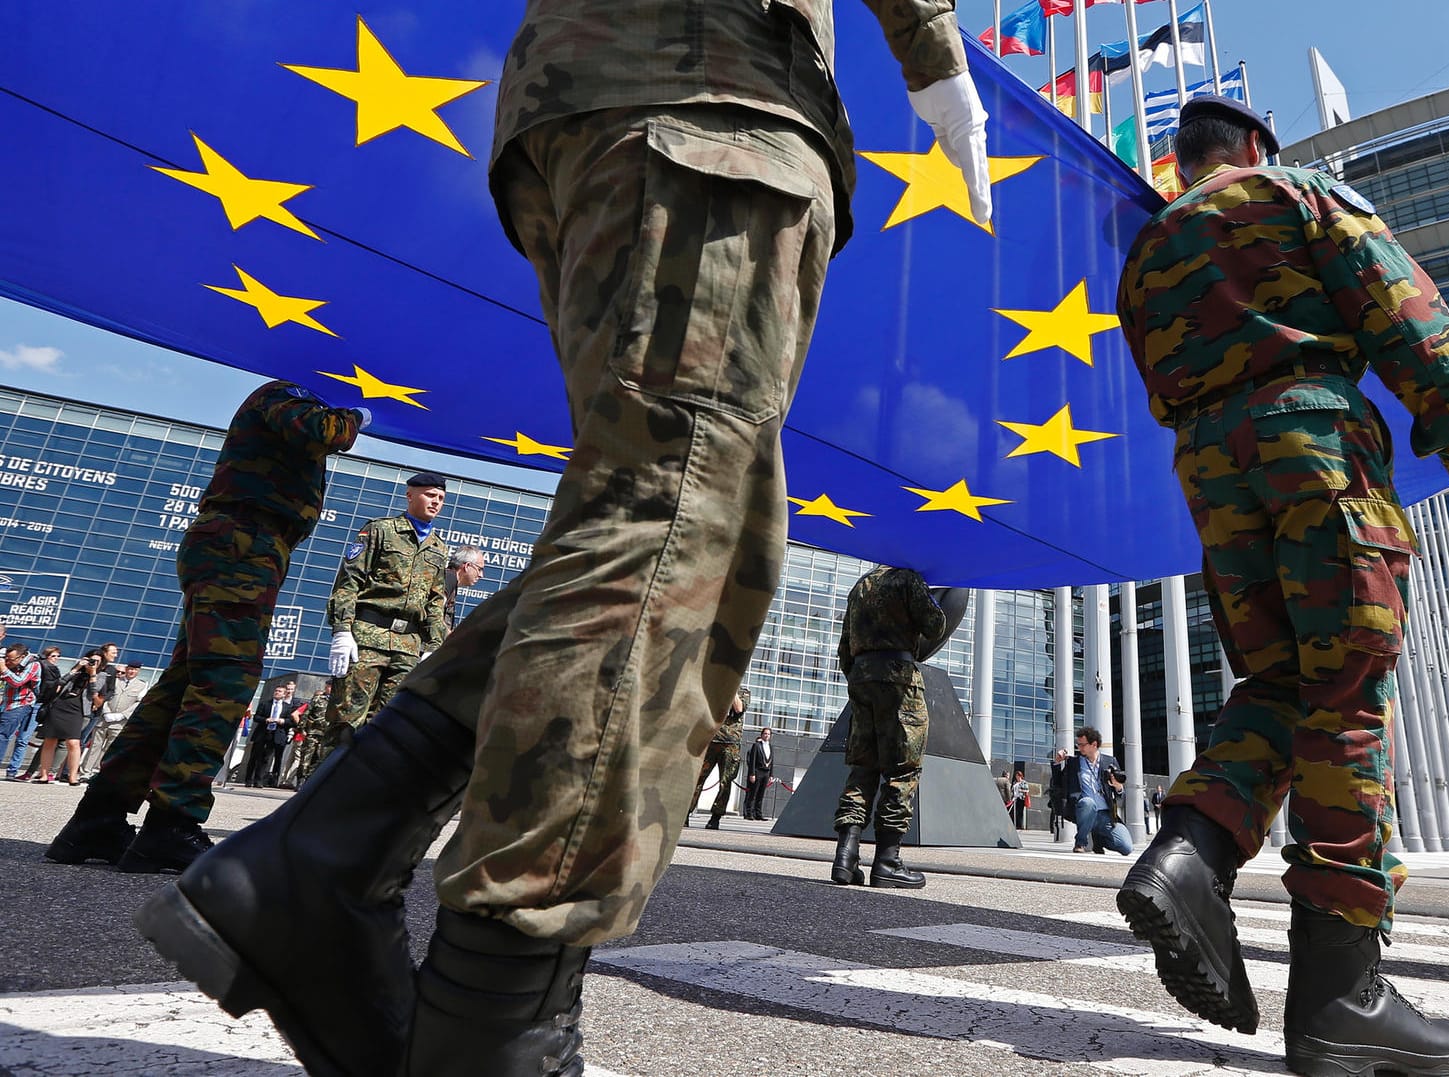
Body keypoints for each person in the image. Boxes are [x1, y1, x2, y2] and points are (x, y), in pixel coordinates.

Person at [134, 3, 994, 1072]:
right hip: (709, 92)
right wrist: (932, 51)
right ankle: (495, 1010)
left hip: (614, 95)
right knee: (674, 512)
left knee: (668, 517)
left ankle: (329, 854)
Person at [1113, 94, 1449, 1069]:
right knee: (1346, 694)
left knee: (1278, 685)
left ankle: (1192, 851)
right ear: (1251, 145)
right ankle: (1340, 987)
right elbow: (1411, 320)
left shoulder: (1152, 244)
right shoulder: (1298, 192)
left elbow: (1161, 375)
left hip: (1210, 469)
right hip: (1314, 444)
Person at [45, 381, 363, 873]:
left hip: (244, 544)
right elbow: (325, 429)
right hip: (242, 543)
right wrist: (360, 414)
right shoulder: (284, 394)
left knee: (184, 684)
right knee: (224, 682)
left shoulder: (288, 401)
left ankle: (100, 817)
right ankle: (171, 824)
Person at [312, 472, 452, 773]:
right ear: (410, 495)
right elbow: (349, 583)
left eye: (440, 498)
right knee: (347, 721)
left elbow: (435, 602)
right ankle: (321, 802)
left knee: (392, 728)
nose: (436, 502)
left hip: (408, 648)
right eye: (430, 495)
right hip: (367, 637)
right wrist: (341, 631)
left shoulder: (439, 549)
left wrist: (433, 647)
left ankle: (363, 806)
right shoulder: (380, 531)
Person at [830, 565, 948, 889]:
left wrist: (863, 675)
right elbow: (935, 626)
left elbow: (844, 648)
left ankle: (845, 857)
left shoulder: (859, 586)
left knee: (862, 768)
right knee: (902, 771)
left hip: (862, 678)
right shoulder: (907, 578)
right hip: (900, 678)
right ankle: (887, 862)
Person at [1060, 727, 1130, 856]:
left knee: (1126, 847)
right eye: (1078, 744)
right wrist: (1057, 762)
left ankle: (1099, 839)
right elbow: (1059, 782)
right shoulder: (1074, 763)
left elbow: (1120, 797)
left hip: (1105, 815)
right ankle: (1080, 842)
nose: (1079, 748)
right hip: (1084, 810)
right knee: (1088, 803)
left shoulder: (1110, 762)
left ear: (1094, 745)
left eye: (1082, 745)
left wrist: (1118, 787)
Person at [29, 654, 97, 785]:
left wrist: (92, 672)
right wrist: (77, 667)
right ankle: (43, 775)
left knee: (73, 743)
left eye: (96, 661)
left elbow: (94, 692)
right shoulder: (75, 672)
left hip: (77, 710)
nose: (92, 663)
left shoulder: (99, 676)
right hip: (59, 706)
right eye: (90, 660)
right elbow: (60, 683)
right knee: (50, 740)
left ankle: (72, 777)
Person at [689, 689, 750, 829]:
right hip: (710, 741)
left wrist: (732, 688)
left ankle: (716, 817)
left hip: (730, 744)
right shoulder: (716, 689)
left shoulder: (743, 693)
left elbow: (739, 708)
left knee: (725, 782)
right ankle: (686, 813)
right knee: (697, 779)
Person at [79, 661, 148, 781]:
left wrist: (122, 715)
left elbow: (139, 703)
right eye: (130, 669)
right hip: (104, 720)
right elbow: (104, 696)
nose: (132, 672)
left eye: (135, 670)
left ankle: (102, 773)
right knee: (94, 747)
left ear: (138, 671)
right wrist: (106, 712)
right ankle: (85, 773)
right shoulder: (115, 681)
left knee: (111, 749)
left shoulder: (141, 686)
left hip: (120, 723)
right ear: (126, 669)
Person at [243, 682, 299, 789]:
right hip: (262, 733)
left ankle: (258, 781)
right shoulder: (265, 704)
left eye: (280, 692)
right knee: (254, 757)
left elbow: (291, 722)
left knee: (265, 758)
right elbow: (256, 717)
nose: (277, 693)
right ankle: (248, 779)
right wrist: (266, 719)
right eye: (276, 691)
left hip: (275, 734)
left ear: (284, 694)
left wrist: (283, 721)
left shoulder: (287, 707)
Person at [0, 643, 44, 780]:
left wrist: (3, 667)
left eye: (11, 659)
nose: (8, 662)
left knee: (3, 735)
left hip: (21, 704)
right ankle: (12, 771)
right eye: (6, 658)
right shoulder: (11, 663)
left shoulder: (33, 664)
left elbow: (18, 682)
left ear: (22, 656)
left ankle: (12, 769)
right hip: (7, 703)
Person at [443, 546, 486, 632]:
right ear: (467, 566)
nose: (481, 575)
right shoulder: (449, 578)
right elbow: (434, 614)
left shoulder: (450, 579)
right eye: (479, 569)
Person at [742, 726, 774, 821]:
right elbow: (752, 760)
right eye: (765, 733)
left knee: (761, 794)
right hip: (757, 771)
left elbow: (772, 761)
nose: (767, 735)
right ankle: (749, 813)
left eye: (768, 734)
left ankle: (758, 813)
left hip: (766, 773)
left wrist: (771, 775)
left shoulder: (771, 747)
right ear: (762, 734)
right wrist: (752, 774)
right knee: (753, 793)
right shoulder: (756, 745)